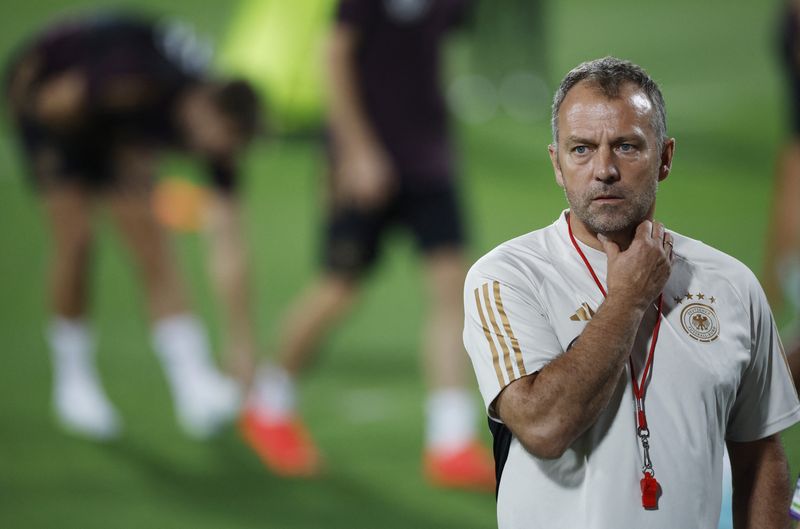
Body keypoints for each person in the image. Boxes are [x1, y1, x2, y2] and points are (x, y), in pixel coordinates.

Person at [463, 57, 800, 527]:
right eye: (581, 149)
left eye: (626, 146)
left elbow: (759, 457)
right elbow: (544, 426)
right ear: (556, 163)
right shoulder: (508, 277)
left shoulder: (731, 284)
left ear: (664, 157)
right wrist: (628, 298)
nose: (604, 169)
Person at [239, 0, 495, 489]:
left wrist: (441, 139)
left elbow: (431, 53)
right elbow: (333, 55)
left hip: (429, 164)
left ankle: (451, 441)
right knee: (339, 288)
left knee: (456, 292)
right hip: (366, 162)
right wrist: (352, 149)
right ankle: (269, 408)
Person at [4, 12, 263, 440]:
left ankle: (192, 383)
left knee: (152, 245)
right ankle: (73, 380)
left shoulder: (213, 124)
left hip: (120, 125)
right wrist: (121, 152)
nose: (214, 152)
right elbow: (55, 103)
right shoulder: (136, 78)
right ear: (204, 109)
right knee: (78, 241)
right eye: (218, 140)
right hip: (51, 99)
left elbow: (229, 240)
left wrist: (240, 341)